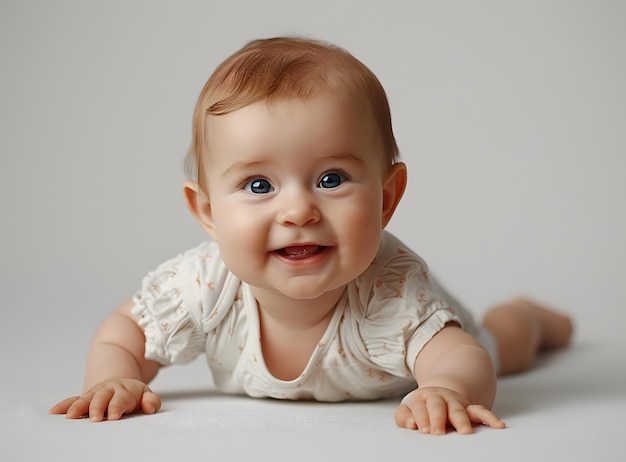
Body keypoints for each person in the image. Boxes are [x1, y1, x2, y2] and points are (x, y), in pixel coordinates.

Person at [49, 37, 573, 434]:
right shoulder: (203, 288)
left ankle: (527, 317)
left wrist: (445, 388)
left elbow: (462, 357)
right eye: (259, 185)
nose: (298, 211)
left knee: (500, 345)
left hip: (438, 341)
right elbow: (126, 333)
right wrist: (114, 379)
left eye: (331, 180)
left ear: (387, 199)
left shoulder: (391, 294)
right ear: (207, 211)